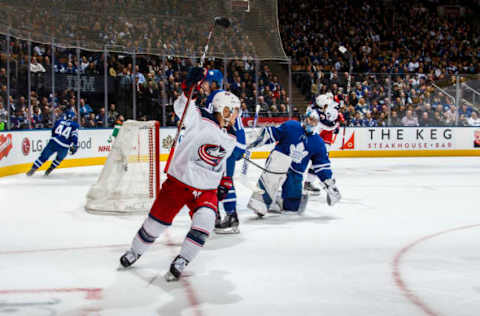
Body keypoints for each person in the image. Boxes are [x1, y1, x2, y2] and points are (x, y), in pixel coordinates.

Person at [119, 67, 238, 282]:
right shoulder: (200, 118)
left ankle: (182, 259)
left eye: (236, 111)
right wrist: (187, 89)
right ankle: (135, 251)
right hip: (178, 183)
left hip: (206, 190)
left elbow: (222, 161)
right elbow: (182, 108)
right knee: (155, 224)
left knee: (207, 221)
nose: (235, 115)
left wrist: (223, 180)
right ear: (220, 109)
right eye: (231, 110)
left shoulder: (231, 137)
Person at [246, 109, 341, 217]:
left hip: (296, 171)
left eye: (314, 121)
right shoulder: (292, 126)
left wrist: (328, 183)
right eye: (310, 119)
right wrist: (252, 139)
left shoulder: (318, 142)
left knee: (292, 209)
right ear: (305, 118)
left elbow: (322, 165)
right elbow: (272, 133)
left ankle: (278, 200)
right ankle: (262, 201)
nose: (311, 123)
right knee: (261, 201)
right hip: (278, 162)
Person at [214, 100, 245, 234]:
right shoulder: (231, 116)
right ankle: (224, 214)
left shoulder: (233, 118)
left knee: (225, 181)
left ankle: (231, 215)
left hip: (229, 151)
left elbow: (239, 141)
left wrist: (234, 153)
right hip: (230, 150)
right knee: (221, 181)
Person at [304, 93, 343, 194]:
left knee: (312, 160)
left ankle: (308, 181)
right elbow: (328, 125)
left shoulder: (314, 108)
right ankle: (325, 179)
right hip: (312, 139)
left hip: (309, 138)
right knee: (320, 159)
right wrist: (337, 123)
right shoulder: (318, 112)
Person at [26, 111, 79, 176]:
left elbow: (53, 130)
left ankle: (32, 170)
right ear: (73, 117)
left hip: (54, 141)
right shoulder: (75, 125)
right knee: (59, 159)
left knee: (43, 157)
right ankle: (49, 170)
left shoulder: (59, 121)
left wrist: (54, 137)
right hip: (64, 146)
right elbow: (74, 136)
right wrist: (75, 144)